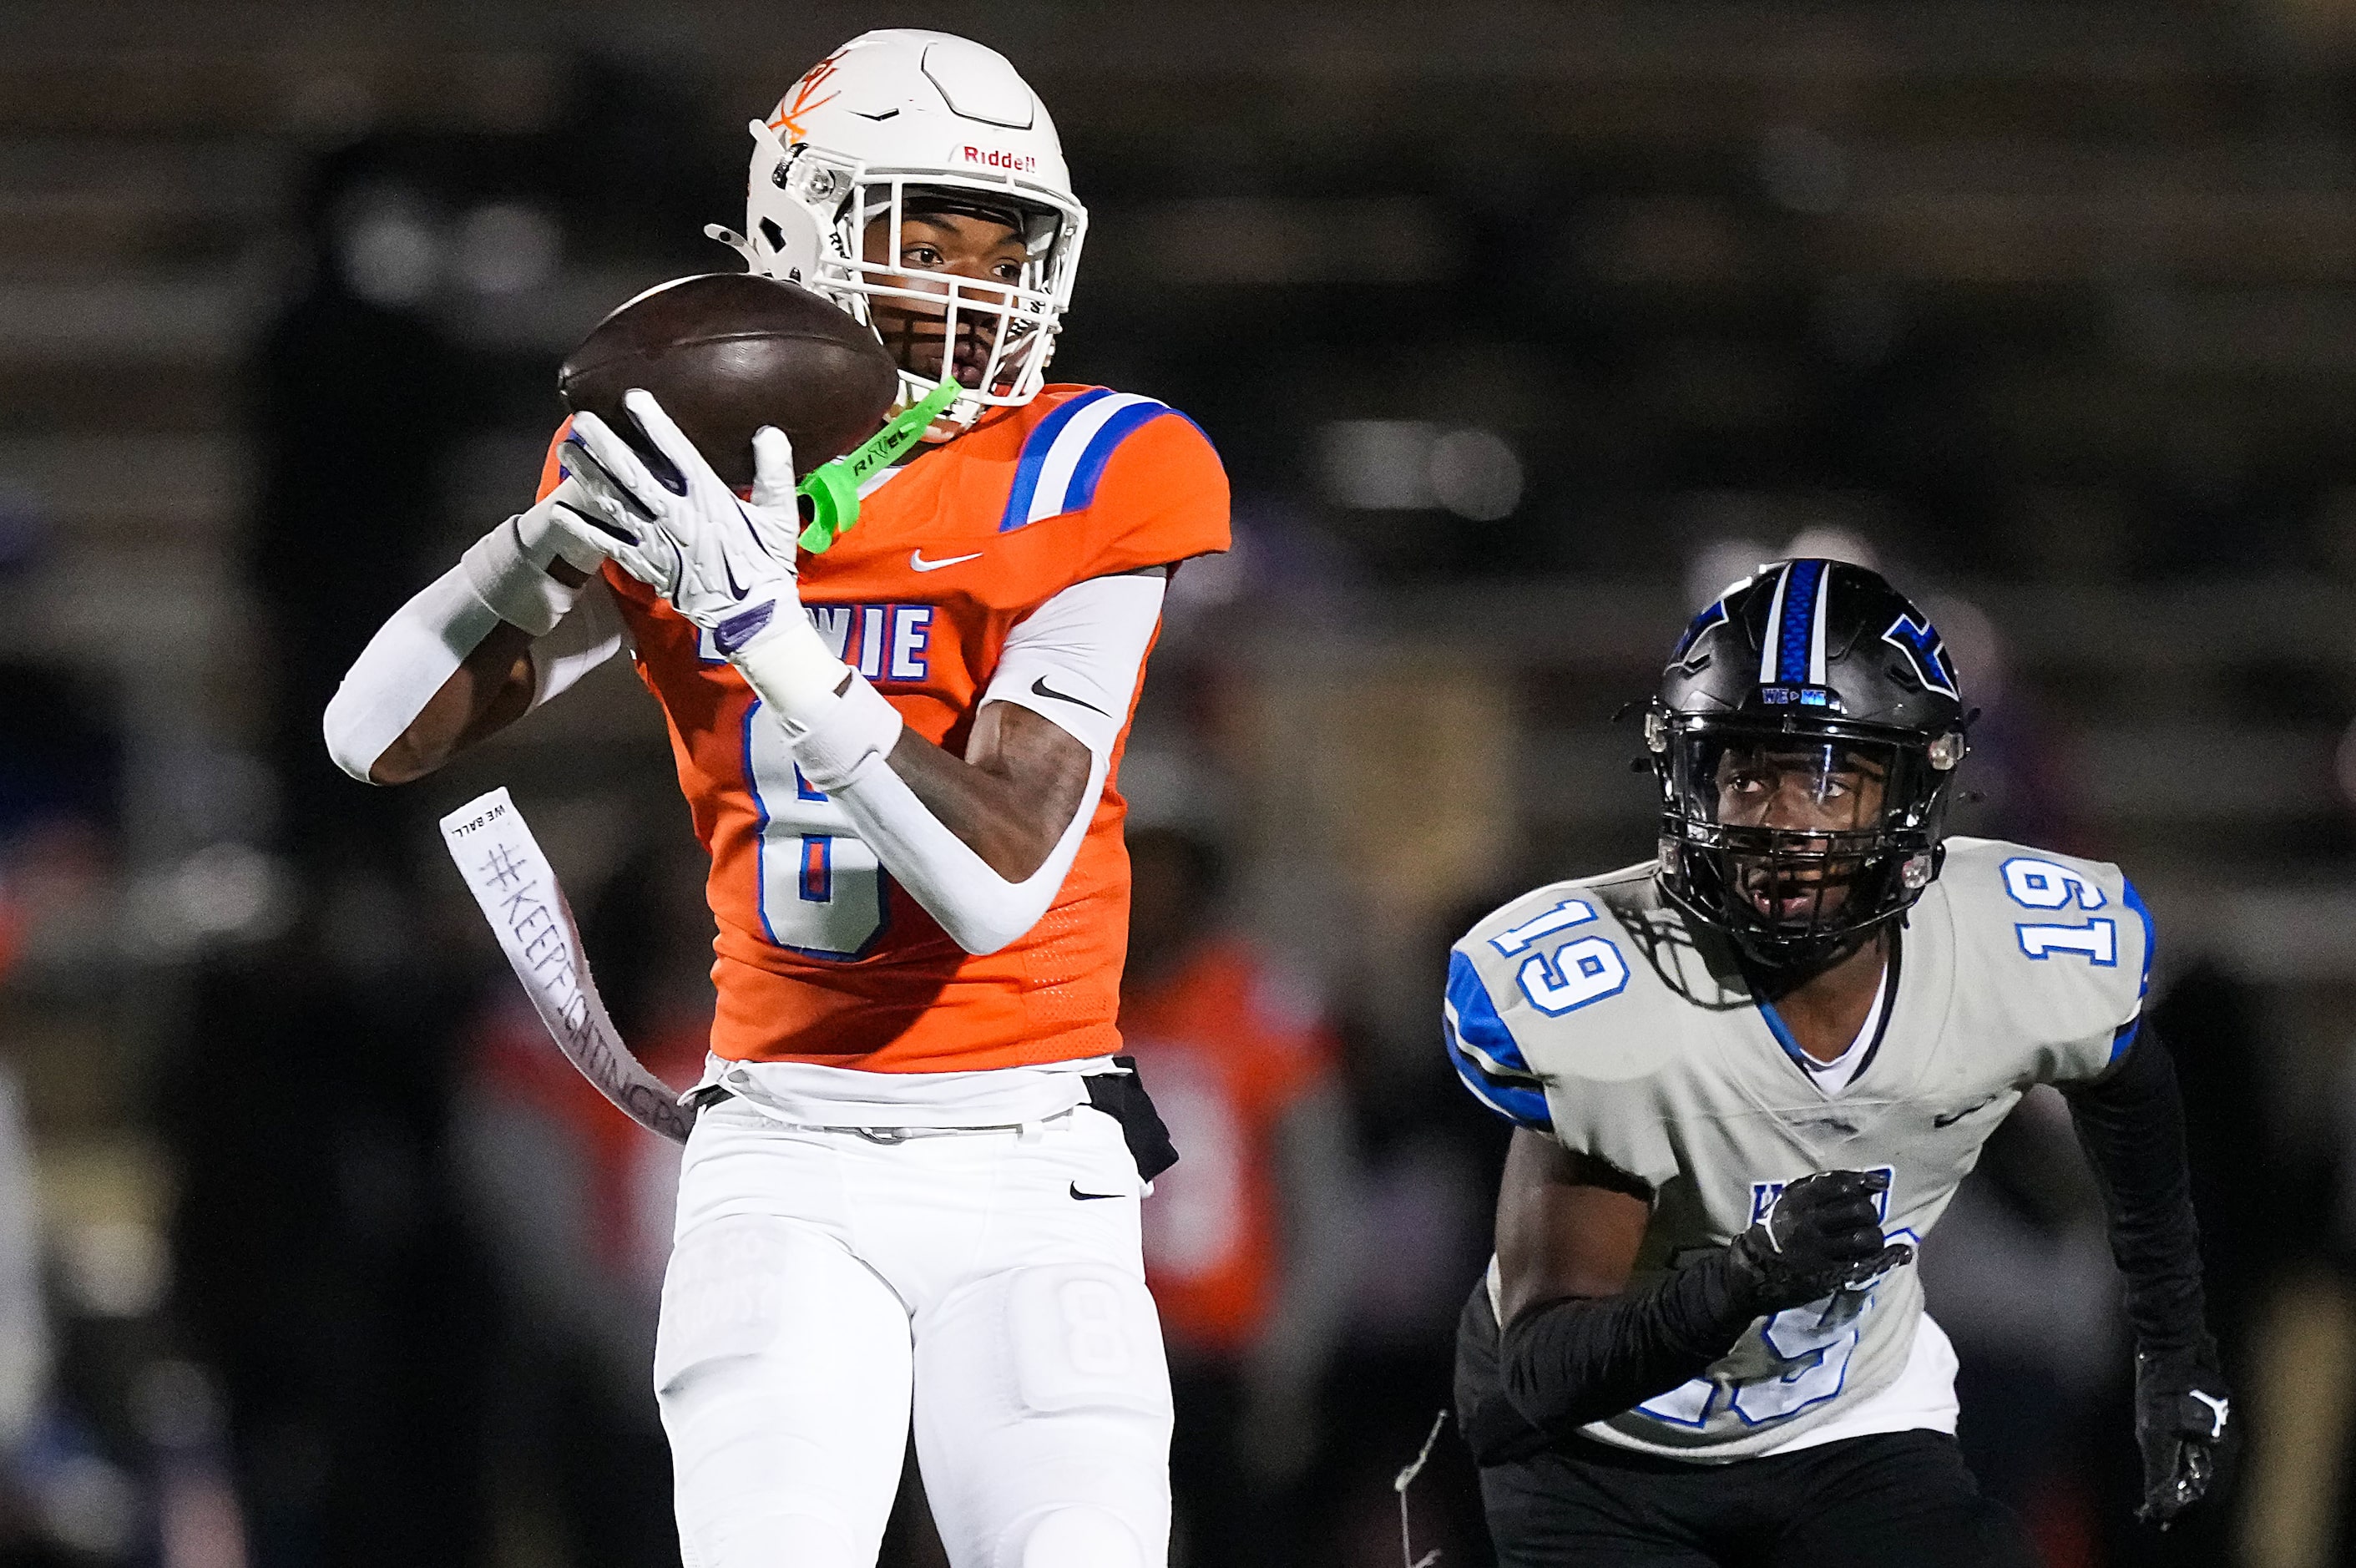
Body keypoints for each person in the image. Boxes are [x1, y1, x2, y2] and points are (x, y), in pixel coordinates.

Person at [321, 28, 1228, 1568]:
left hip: (1030, 1149)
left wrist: (773, 638)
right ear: (803, 232)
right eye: (919, 236)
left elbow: (998, 876)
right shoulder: (685, 467)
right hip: (783, 1149)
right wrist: (536, 547)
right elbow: (369, 732)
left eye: (1000, 244)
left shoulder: (1097, 461)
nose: (969, 284)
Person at [1443, 559, 2230, 1566]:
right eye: (1748, 772)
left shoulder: (2006, 945)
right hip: (1604, 1455)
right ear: (1691, 780)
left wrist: (2173, 1348)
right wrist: (1742, 1279)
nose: (1782, 819)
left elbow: (2128, 1088)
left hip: (1842, 1418)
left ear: (1908, 788)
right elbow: (1546, 1367)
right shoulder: (1611, 992)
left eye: (1827, 776)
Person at [1117, 822, 1354, 1566]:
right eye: (1137, 876)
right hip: (1099, 1340)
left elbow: (1319, 1192)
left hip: (1229, 1351)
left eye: (1167, 876)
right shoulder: (1071, 1000)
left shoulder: (1259, 1000)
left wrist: (1290, 1351)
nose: (1150, 900)